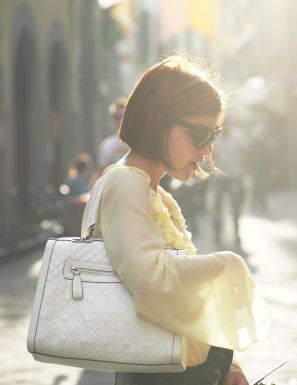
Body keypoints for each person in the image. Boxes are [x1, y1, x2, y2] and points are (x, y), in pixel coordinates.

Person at [81, 56, 269, 385]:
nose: (207, 150)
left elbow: (178, 297)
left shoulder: (152, 190)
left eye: (215, 135)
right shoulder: (125, 183)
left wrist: (224, 365)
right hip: (158, 376)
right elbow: (151, 278)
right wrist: (225, 264)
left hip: (179, 370)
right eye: (199, 135)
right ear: (157, 120)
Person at [211, 118, 249, 247]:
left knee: (235, 206)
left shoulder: (238, 137)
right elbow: (212, 156)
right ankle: (217, 232)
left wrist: (243, 172)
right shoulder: (215, 139)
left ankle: (237, 232)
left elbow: (244, 155)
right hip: (220, 178)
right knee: (217, 206)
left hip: (235, 176)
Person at [97, 97, 129, 175]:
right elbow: (102, 173)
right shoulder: (106, 145)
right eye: (117, 117)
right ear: (112, 120)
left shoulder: (140, 144)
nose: (120, 121)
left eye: (123, 116)